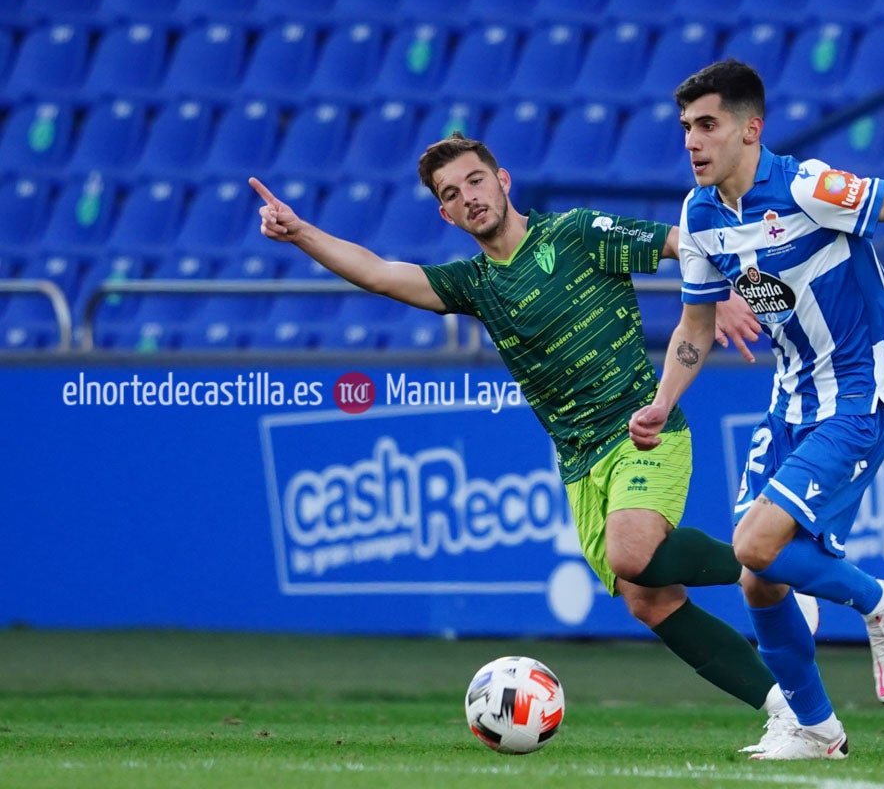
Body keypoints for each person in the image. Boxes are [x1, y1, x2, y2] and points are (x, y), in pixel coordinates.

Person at [250, 132, 812, 753]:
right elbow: (382, 275)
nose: (469, 197)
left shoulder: (575, 232)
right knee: (646, 601)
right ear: (445, 213)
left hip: (641, 429)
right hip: (578, 461)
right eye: (451, 194)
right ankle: (790, 711)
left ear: (503, 179)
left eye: (475, 181)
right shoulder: (472, 283)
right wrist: (301, 232)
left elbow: (680, 242)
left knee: (631, 553)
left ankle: (774, 563)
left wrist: (726, 291)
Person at [629, 59, 884, 760]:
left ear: (751, 130)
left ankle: (883, 601)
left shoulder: (809, 188)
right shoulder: (700, 216)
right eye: (687, 127)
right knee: (758, 576)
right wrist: (662, 403)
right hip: (793, 394)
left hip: (859, 388)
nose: (692, 140)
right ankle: (815, 729)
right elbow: (696, 327)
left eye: (708, 125)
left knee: (755, 545)